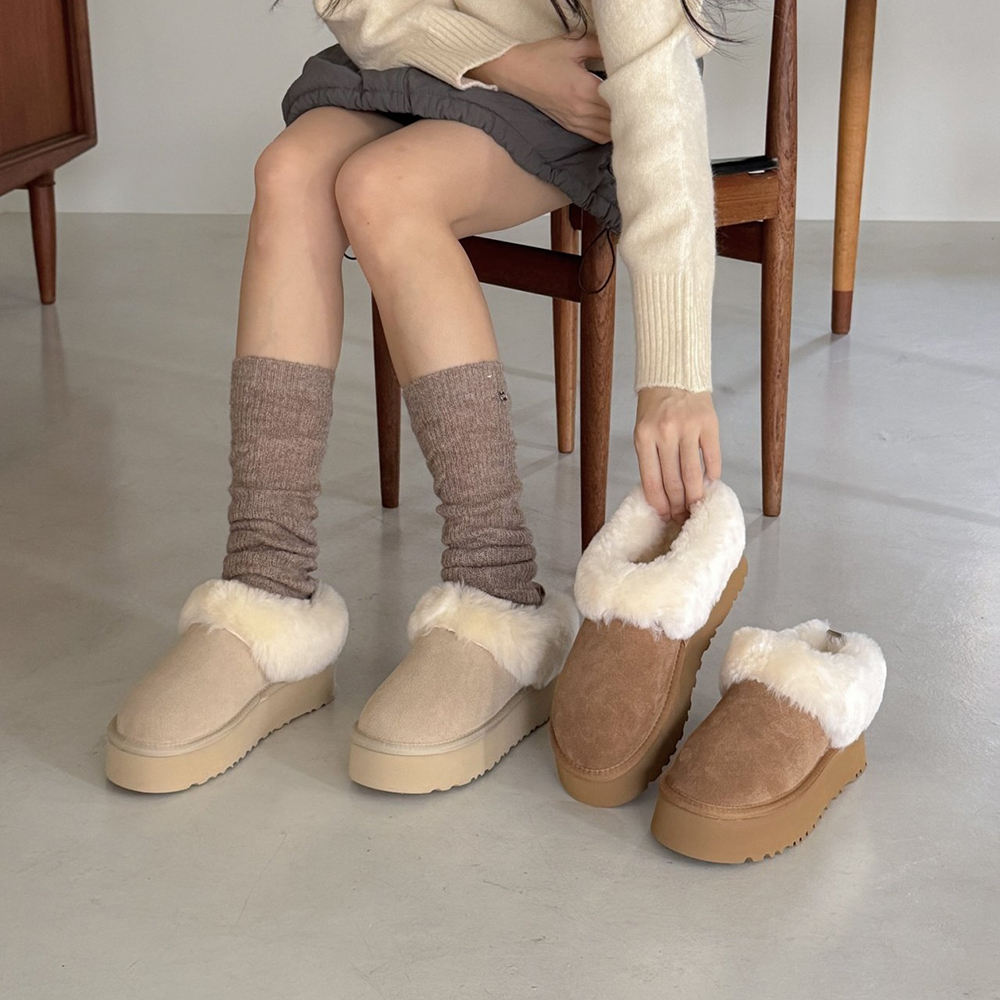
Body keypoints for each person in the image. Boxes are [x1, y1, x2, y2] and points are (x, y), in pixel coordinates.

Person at [103, 0, 726, 796]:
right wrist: (500, 61)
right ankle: (265, 592)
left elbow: (658, 90)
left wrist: (675, 373)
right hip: (423, 54)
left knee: (384, 186)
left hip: (580, 82)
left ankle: (497, 593)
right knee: (288, 172)